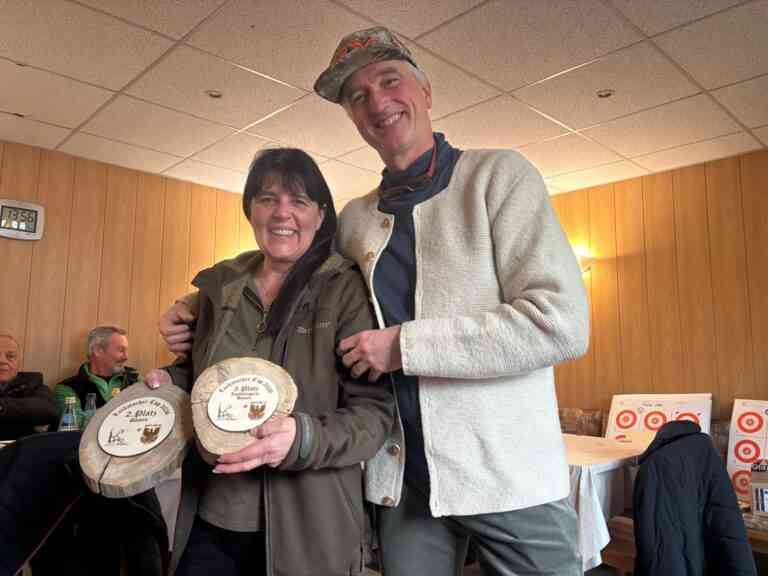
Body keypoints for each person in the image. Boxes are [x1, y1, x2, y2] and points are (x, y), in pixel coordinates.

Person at [161, 27, 589, 575]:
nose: (376, 102)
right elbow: (288, 268)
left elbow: (562, 324)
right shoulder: (357, 218)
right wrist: (193, 305)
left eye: (389, 81)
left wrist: (402, 346)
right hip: (402, 484)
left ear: (426, 92)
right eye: (357, 96)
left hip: (508, 474)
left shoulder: (500, 176)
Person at [147, 148, 393, 576]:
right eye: (267, 199)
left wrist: (303, 438)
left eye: (299, 201)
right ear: (250, 210)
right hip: (213, 519)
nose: (282, 212)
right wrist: (168, 381)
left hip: (310, 531)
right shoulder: (220, 287)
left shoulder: (345, 290)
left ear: (320, 215)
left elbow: (374, 417)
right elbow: (206, 377)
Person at [54, 325, 139, 423]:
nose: (126, 357)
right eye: (121, 350)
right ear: (97, 350)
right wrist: (117, 409)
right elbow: (75, 426)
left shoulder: (136, 380)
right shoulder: (67, 388)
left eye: (126, 351)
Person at [0, 333, 59, 440]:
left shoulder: (34, 383)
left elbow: (48, 410)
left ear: (19, 362)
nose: (2, 361)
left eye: (10, 356)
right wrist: (28, 423)